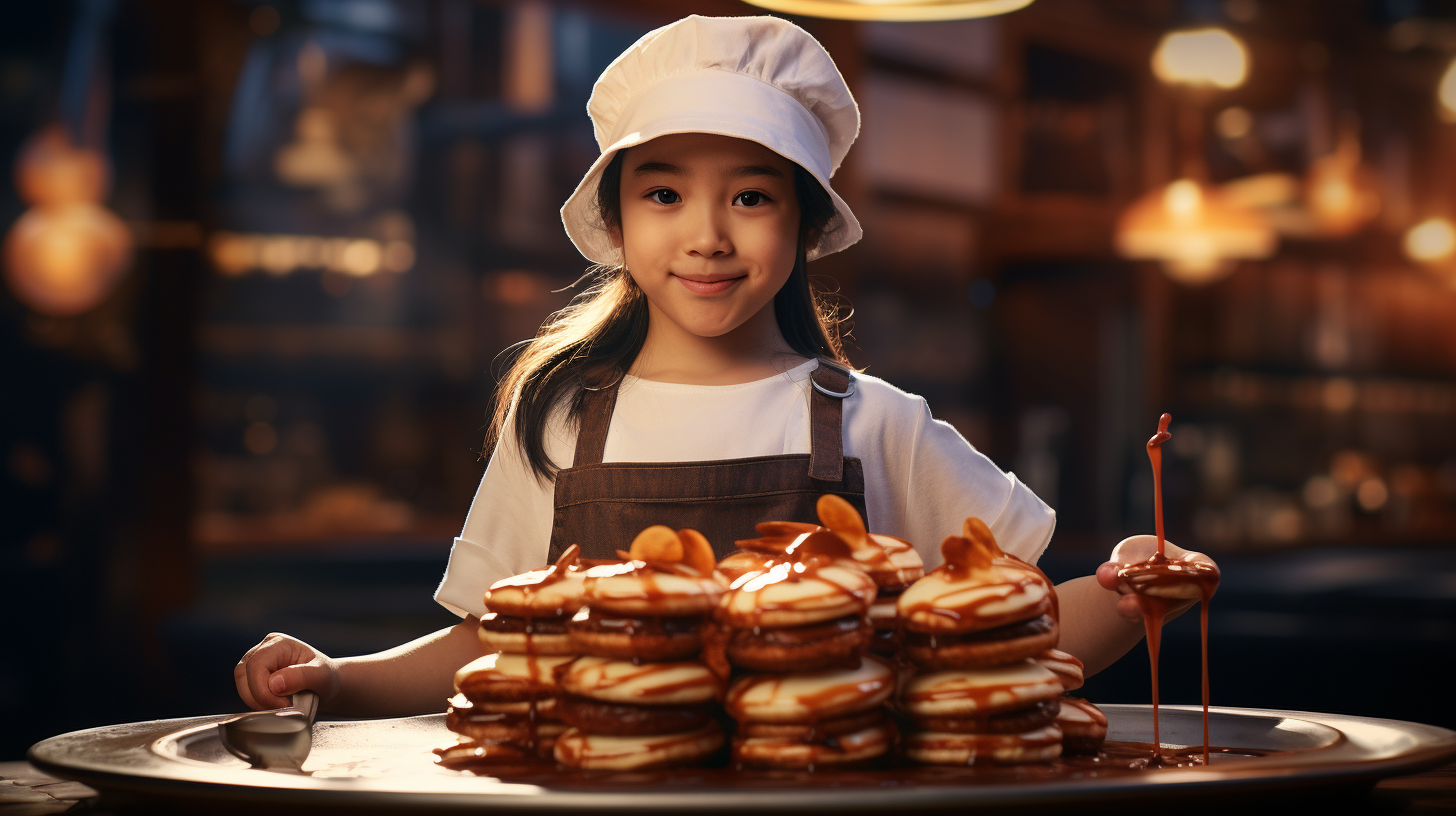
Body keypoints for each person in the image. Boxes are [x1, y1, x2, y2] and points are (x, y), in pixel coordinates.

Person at [234, 15, 1217, 718]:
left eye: (751, 198)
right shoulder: (563, 417)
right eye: (664, 194)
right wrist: (337, 676)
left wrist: (1134, 588)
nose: (706, 236)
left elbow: (1017, 631)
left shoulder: (875, 421)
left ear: (804, 225)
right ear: (616, 221)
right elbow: (488, 643)